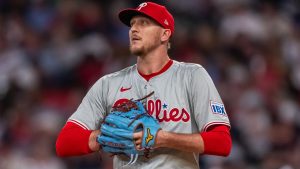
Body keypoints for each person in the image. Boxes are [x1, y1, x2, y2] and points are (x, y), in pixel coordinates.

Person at [56, 2, 232, 169]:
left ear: (165, 34)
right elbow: (64, 143)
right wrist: (104, 137)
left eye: (144, 23)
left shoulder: (192, 76)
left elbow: (222, 143)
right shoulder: (108, 84)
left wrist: (163, 138)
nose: (134, 29)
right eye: (132, 24)